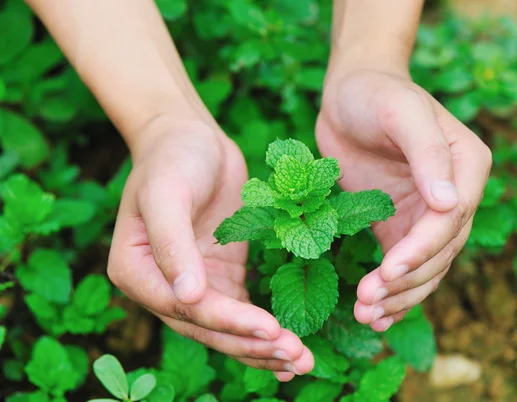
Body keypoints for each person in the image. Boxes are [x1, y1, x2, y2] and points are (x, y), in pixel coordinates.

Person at [26, 0, 491, 381]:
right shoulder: (278, 216)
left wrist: (373, 58)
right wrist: (158, 119)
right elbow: (297, 235)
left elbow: (313, 236)